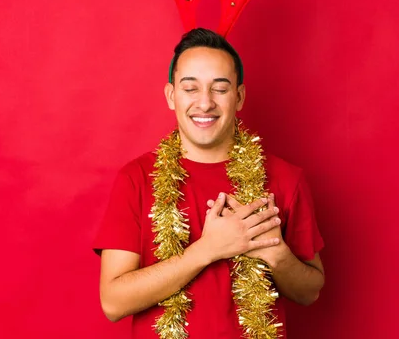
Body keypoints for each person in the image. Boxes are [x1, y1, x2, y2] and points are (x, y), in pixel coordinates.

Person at [93, 28, 325, 338]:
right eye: (191, 88)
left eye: (220, 88)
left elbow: (310, 291)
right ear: (171, 96)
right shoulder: (135, 179)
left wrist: (275, 252)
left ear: (239, 97)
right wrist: (207, 250)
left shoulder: (285, 178)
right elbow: (113, 302)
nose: (205, 103)